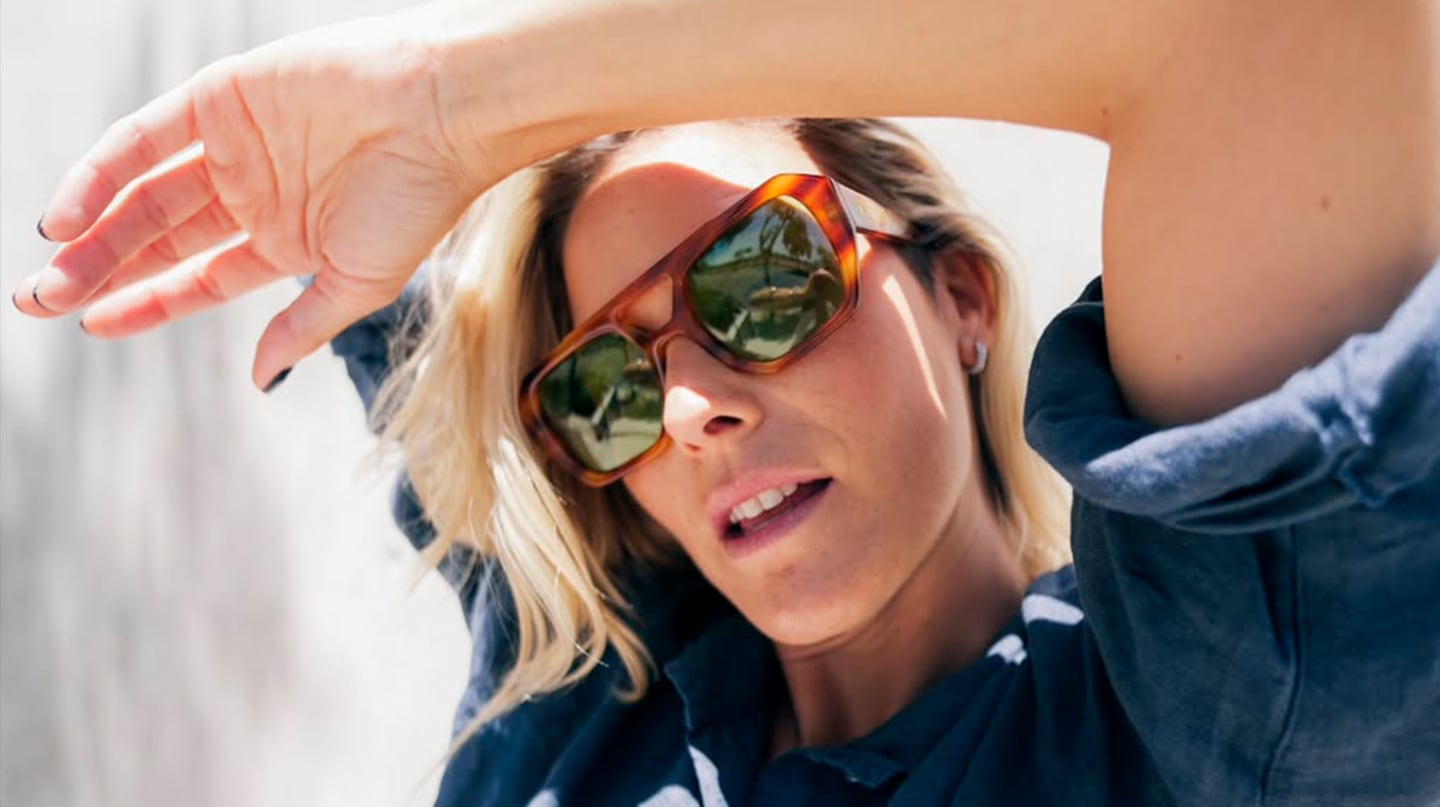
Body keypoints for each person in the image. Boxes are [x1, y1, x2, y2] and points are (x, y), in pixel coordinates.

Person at [14, 0, 1438, 805]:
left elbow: (1267, 30)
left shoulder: (1195, 724)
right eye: (608, 386)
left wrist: (463, 104)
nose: (689, 406)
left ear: (960, 296)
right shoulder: (582, 684)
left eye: (764, 277)